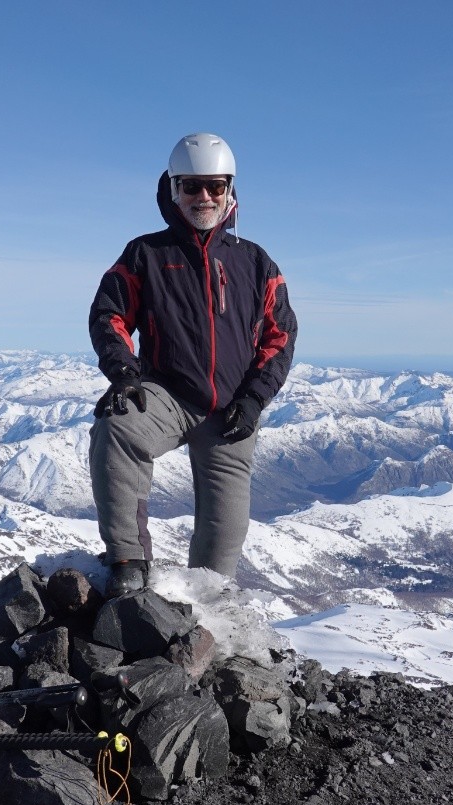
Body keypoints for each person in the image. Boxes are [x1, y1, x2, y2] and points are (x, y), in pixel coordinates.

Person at [87, 132, 298, 595]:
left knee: (221, 549)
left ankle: (205, 614)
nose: (204, 197)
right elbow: (110, 313)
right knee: (117, 426)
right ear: (173, 189)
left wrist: (254, 399)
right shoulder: (147, 254)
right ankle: (129, 564)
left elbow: (279, 335)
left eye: (215, 187)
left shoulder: (255, 262)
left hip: (231, 412)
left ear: (230, 191)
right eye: (191, 186)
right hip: (167, 394)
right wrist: (123, 372)